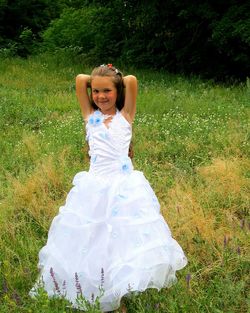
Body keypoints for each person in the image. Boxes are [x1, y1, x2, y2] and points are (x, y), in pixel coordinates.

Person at [30, 64, 187, 312]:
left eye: (107, 91)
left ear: (118, 92)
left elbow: (132, 80)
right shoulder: (90, 117)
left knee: (120, 240)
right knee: (94, 239)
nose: (101, 96)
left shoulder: (126, 115)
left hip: (123, 188)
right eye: (96, 91)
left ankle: (118, 293)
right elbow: (80, 79)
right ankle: (92, 286)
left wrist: (114, 77)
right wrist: (100, 77)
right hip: (94, 187)